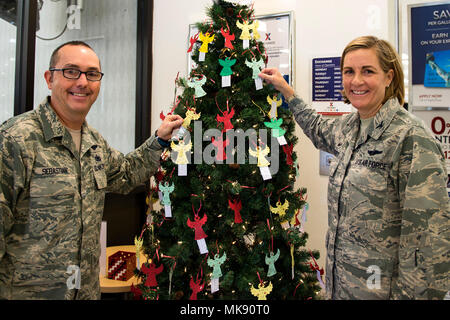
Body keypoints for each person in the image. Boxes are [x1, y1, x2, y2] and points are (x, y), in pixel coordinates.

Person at [259, 35, 449, 300]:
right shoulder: (350, 127)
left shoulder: (411, 138)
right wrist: (287, 91)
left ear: (389, 77)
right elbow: (317, 127)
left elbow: (430, 243)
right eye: (349, 71)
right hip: (341, 287)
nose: (356, 81)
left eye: (367, 71)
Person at [0, 41, 183, 299]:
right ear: (49, 78)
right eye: (71, 71)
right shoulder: (15, 140)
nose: (82, 82)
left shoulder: (93, 142)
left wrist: (160, 140)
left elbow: (127, 173)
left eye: (92, 74)